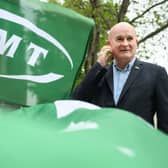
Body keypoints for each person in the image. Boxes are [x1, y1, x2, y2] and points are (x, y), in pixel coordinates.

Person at [72, 22, 168, 134]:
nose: (125, 43)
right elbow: (75, 102)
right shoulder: (98, 75)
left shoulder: (156, 73)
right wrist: (99, 65)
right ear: (109, 44)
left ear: (136, 42)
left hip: (139, 147)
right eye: (119, 39)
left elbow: (165, 122)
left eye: (129, 38)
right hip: (102, 145)